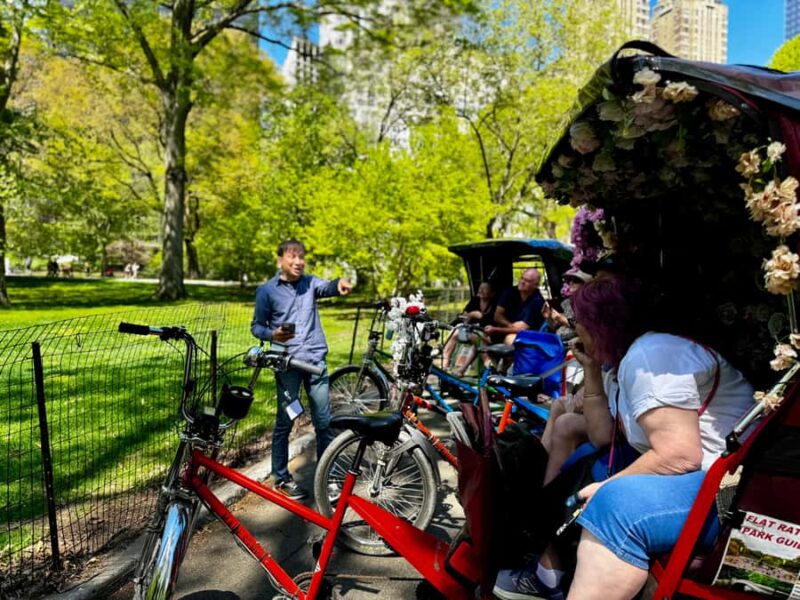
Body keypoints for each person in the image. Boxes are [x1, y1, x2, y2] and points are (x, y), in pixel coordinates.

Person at [493, 276, 755, 600]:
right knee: (583, 464)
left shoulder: (650, 355)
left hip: (730, 489)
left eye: (578, 320)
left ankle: (557, 576)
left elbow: (679, 454)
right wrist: (591, 370)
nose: (574, 328)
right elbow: (603, 435)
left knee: (612, 504)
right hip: (702, 474)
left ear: (601, 323)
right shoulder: (625, 358)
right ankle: (549, 574)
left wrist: (607, 487)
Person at [251, 239, 353, 500]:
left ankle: (329, 478)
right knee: (285, 421)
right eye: (292, 256)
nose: (298, 262)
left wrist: (339, 284)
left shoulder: (310, 283)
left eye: (301, 257)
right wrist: (272, 334)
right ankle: (281, 479)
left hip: (315, 361)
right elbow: (256, 327)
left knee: (324, 422)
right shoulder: (267, 291)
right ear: (280, 260)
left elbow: (328, 287)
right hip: (288, 365)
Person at [441, 281, 496, 375]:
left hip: (486, 335)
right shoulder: (475, 301)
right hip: (469, 330)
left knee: (476, 338)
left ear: (492, 293)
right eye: (480, 288)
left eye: (485, 289)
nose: (481, 290)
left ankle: (487, 364)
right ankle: (445, 365)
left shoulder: (494, 305)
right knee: (454, 334)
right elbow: (464, 316)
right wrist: (472, 314)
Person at [485, 268, 546, 345]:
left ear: (535, 285)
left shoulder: (537, 301)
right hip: (503, 330)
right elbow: (497, 316)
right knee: (475, 335)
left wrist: (496, 329)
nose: (522, 282)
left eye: (527, 281)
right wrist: (510, 325)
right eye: (522, 278)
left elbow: (521, 329)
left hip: (526, 336)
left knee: (510, 339)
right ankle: (487, 353)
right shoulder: (509, 292)